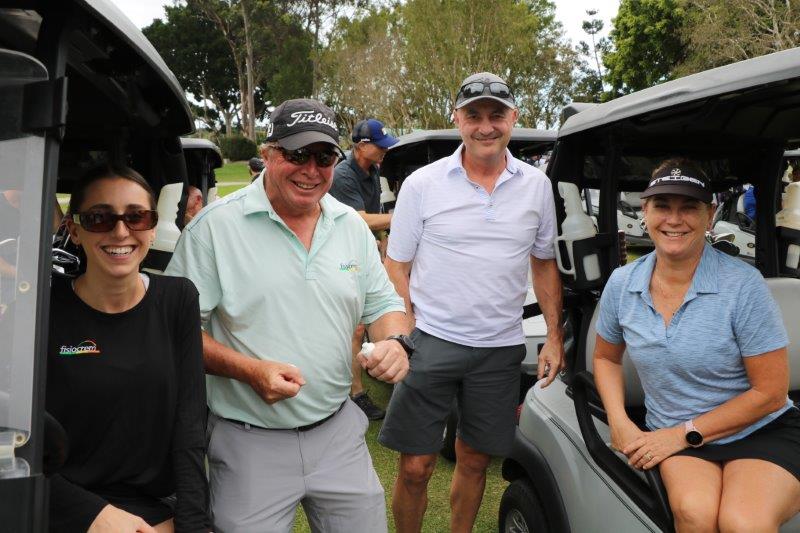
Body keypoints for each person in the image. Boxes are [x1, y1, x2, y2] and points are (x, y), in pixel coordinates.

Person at [165, 98, 411, 533]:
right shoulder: (214, 228)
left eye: (323, 157)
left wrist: (393, 342)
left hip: (339, 435)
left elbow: (386, 305)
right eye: (296, 155)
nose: (310, 170)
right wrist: (249, 370)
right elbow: (175, 332)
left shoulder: (350, 226)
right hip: (248, 442)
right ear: (267, 154)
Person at [379, 72, 565, 533]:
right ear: (458, 119)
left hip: (500, 349)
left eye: (496, 115)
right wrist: (403, 335)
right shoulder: (423, 184)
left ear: (513, 118)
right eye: (475, 115)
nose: (486, 126)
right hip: (429, 343)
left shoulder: (537, 186)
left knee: (475, 460)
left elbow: (543, 264)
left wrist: (554, 337)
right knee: (416, 467)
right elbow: (396, 266)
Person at [593, 158, 800, 532]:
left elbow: (770, 393)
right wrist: (620, 422)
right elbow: (606, 358)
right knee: (695, 514)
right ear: (645, 210)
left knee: (744, 523)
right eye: (662, 206)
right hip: (673, 428)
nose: (675, 220)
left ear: (711, 213)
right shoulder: (622, 284)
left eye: (689, 207)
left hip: (759, 429)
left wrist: (681, 434)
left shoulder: (742, 285)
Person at [46, 165, 210, 532]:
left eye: (136, 217)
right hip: (63, 503)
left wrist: (195, 525)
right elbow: (18, 443)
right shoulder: (43, 308)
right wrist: (92, 514)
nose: (121, 231)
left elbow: (189, 428)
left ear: (152, 227)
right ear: (74, 229)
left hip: (152, 505)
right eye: (99, 217)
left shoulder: (177, 299)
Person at [329, 118, 399, 420]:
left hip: (361, 250)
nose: (385, 151)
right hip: (337, 253)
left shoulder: (372, 171)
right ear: (361, 146)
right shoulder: (343, 174)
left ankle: (358, 382)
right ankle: (353, 393)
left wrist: (384, 246)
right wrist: (402, 218)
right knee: (355, 326)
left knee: (363, 323)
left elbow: (376, 217)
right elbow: (360, 219)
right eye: (380, 147)